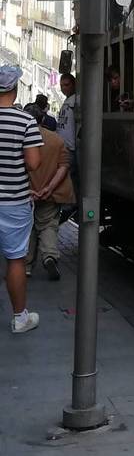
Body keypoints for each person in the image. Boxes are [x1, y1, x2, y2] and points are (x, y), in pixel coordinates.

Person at [0, 63, 43, 334]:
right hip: (15, 201)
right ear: (14, 90)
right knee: (16, 259)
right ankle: (20, 318)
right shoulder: (25, 121)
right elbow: (34, 164)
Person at [26, 118, 74, 281]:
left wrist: (27, 190)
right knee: (48, 225)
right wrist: (49, 188)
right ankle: (49, 256)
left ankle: (26, 265)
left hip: (26, 192)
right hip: (50, 193)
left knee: (28, 227)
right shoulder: (56, 139)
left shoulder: (21, 138)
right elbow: (64, 165)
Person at [56, 71, 80, 204]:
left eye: (66, 85)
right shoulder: (68, 100)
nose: (64, 88)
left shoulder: (76, 100)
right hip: (64, 147)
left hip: (70, 147)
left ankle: (71, 205)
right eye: (61, 85)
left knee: (69, 178)